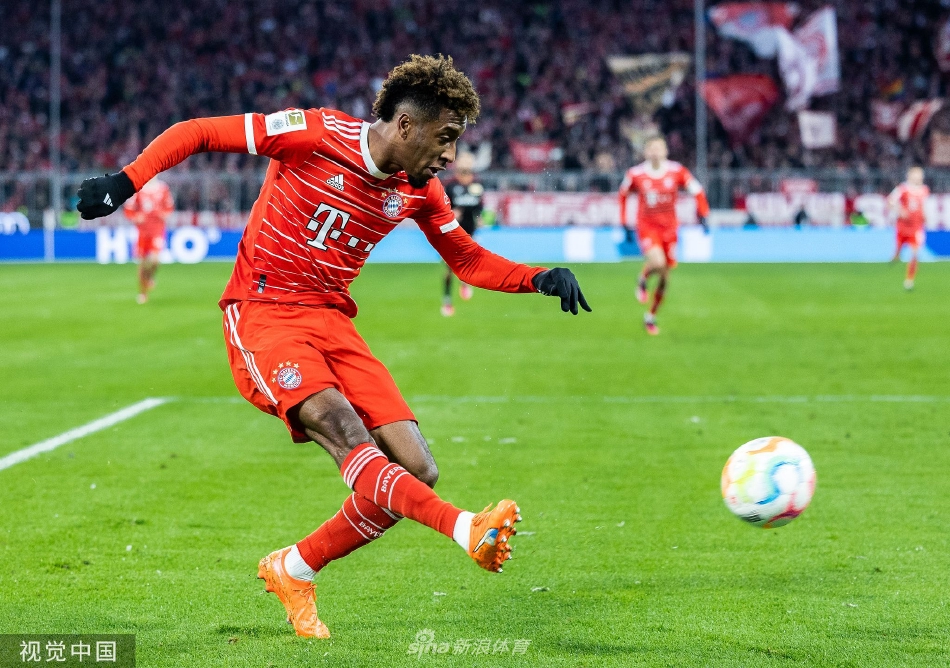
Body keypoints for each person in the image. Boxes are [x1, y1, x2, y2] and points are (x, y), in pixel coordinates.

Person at [76, 55, 590, 638]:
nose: (450, 155)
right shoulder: (315, 134)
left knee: (417, 468)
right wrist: (125, 182)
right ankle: (465, 527)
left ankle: (294, 568)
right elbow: (199, 132)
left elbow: (467, 259)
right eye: (445, 137)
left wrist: (538, 277)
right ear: (405, 125)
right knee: (342, 427)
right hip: (265, 313)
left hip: (332, 322)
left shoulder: (420, 191)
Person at [618, 135, 709, 335]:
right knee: (658, 263)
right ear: (645, 152)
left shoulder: (677, 171)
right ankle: (643, 277)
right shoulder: (636, 174)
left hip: (670, 229)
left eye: (659, 148)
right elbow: (622, 194)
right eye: (652, 148)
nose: (655, 152)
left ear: (666, 151)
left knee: (665, 278)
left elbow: (697, 190)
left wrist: (703, 213)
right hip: (648, 228)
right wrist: (624, 222)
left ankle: (650, 316)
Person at [440, 152, 483, 316]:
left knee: (469, 261)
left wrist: (479, 218)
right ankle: (447, 300)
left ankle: (465, 283)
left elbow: (479, 207)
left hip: (470, 232)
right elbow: (441, 207)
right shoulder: (450, 186)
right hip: (452, 231)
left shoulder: (477, 185)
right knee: (449, 268)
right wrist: (451, 213)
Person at [123, 177, 173, 304]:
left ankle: (150, 277)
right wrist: (135, 217)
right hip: (142, 231)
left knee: (156, 260)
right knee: (142, 263)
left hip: (157, 229)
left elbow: (169, 206)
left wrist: (165, 214)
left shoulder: (163, 188)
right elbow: (128, 209)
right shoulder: (138, 188)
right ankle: (143, 293)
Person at [888, 166, 929, 290]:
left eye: (920, 175)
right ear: (910, 176)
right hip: (903, 226)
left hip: (917, 227)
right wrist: (900, 211)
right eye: (916, 175)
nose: (918, 177)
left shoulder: (924, 190)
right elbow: (890, 201)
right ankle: (896, 255)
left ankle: (909, 280)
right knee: (898, 251)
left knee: (915, 253)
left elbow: (923, 205)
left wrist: (925, 216)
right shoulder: (902, 188)